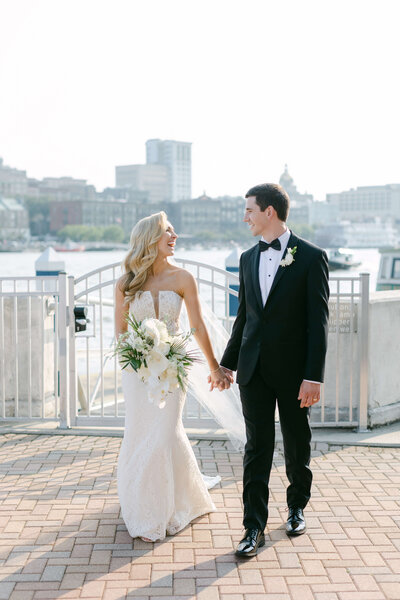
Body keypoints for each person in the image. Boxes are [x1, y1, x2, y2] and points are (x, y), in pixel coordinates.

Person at [217, 183, 329, 558]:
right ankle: (254, 527)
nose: (244, 216)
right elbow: (245, 317)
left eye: (249, 209)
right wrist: (226, 364)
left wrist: (314, 375)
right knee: (257, 448)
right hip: (253, 371)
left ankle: (297, 507)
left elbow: (319, 323)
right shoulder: (248, 258)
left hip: (296, 373)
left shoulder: (311, 258)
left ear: (269, 212)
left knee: (297, 441)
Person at [114, 211, 232, 542]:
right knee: (140, 433)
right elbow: (121, 335)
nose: (174, 235)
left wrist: (213, 366)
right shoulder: (125, 283)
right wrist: (138, 358)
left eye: (174, 230)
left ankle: (168, 508)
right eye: (168, 231)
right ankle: (142, 503)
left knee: (165, 434)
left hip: (173, 371)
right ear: (150, 238)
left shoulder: (183, 279)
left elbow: (196, 327)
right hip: (137, 375)